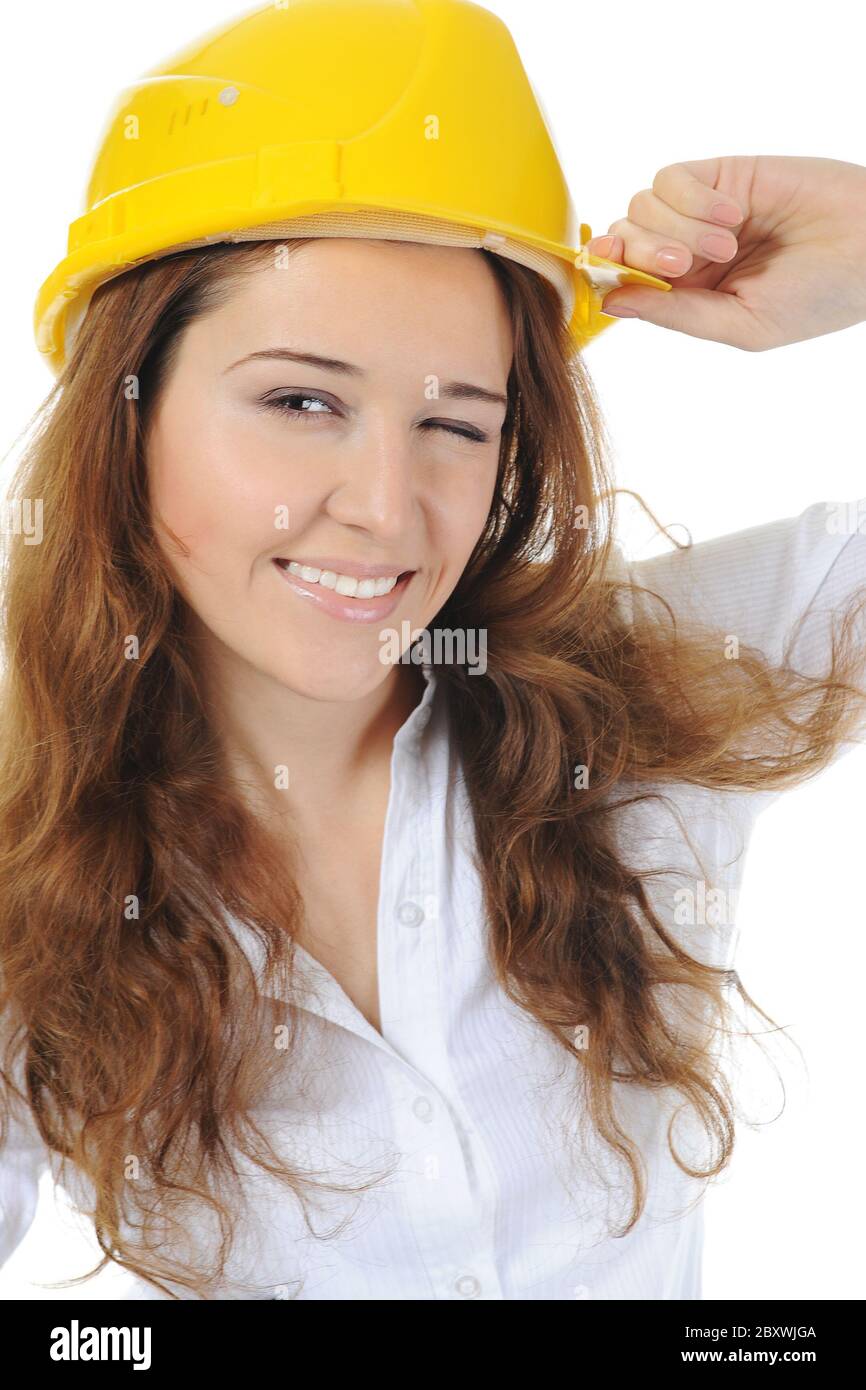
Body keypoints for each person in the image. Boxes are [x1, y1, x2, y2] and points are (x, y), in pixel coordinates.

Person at [2, 0, 865, 1302]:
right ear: (129, 413)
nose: (387, 507)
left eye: (457, 422)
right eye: (302, 400)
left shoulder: (649, 699)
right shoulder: (29, 845)